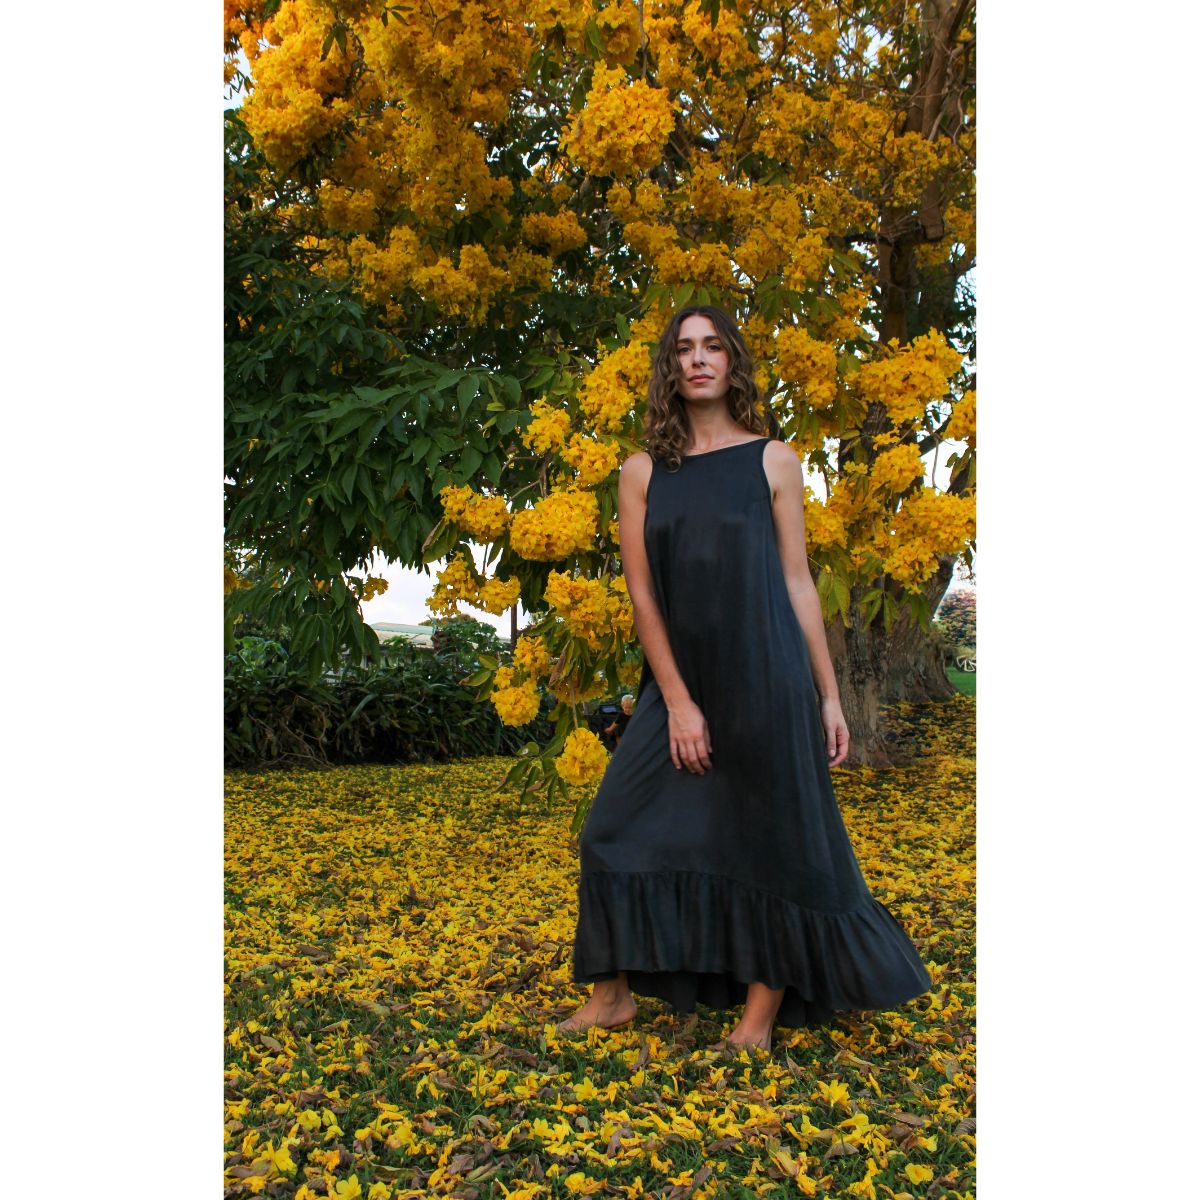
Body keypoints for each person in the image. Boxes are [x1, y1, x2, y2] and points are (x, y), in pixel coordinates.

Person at [556, 304, 931, 1053]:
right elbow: (643, 596)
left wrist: (828, 694)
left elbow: (796, 581)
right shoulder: (641, 473)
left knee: (772, 843)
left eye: (712, 347)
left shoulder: (774, 461)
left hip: (769, 676)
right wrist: (679, 702)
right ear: (669, 368)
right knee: (611, 831)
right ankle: (611, 996)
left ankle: (756, 1022)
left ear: (733, 362)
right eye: (683, 349)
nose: (698, 360)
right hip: (681, 684)